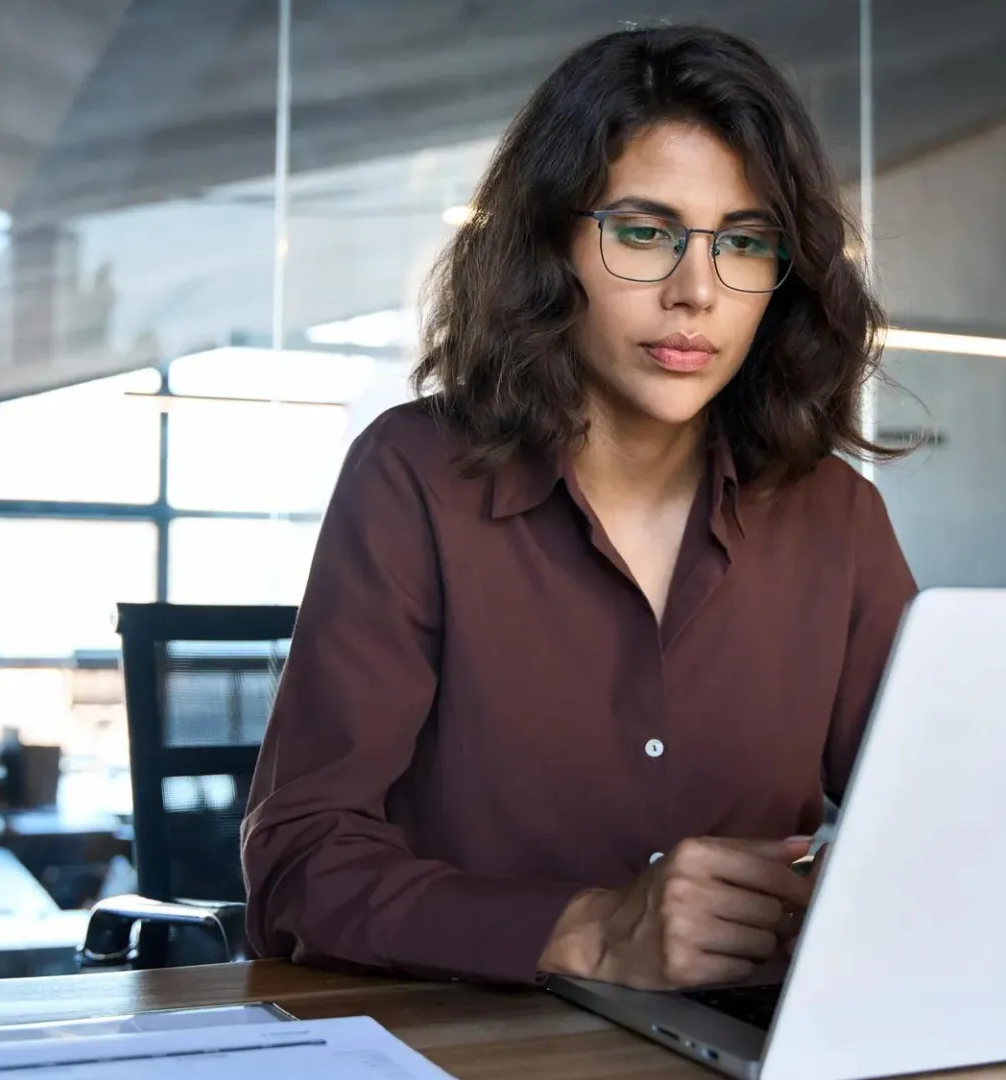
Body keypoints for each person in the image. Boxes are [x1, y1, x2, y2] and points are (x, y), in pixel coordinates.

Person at [240, 23, 917, 991]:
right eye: (644, 232)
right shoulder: (415, 474)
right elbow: (299, 867)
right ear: (552, 242)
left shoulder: (834, 515)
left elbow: (941, 827)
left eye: (746, 242)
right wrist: (591, 931)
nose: (697, 292)